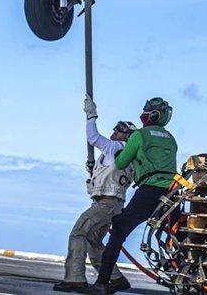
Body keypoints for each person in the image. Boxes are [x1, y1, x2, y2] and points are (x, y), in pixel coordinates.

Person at [86, 97, 178, 295]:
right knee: (176, 236)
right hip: (172, 193)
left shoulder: (140, 135)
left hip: (150, 191)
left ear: (151, 115)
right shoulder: (171, 137)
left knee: (118, 230)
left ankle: (102, 284)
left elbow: (120, 163)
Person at [53, 95, 137, 293]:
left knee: (79, 233)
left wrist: (91, 114)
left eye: (120, 130)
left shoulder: (117, 147)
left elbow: (93, 138)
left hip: (106, 203)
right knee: (93, 241)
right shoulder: (127, 156)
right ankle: (115, 278)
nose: (115, 132)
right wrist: (94, 171)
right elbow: (110, 176)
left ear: (128, 137)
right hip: (113, 204)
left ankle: (75, 279)